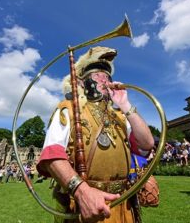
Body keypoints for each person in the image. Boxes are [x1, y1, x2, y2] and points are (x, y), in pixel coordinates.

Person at [37, 46, 154, 223]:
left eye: (107, 76)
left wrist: (125, 104)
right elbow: (52, 155)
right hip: (85, 205)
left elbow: (147, 144)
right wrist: (82, 191)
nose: (104, 79)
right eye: (98, 75)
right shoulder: (68, 108)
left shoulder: (121, 115)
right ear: (83, 83)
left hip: (123, 202)